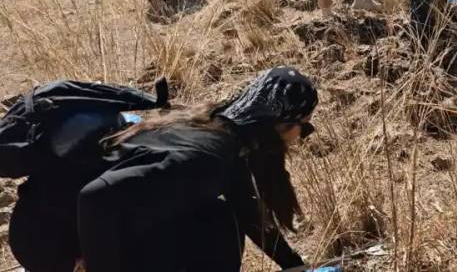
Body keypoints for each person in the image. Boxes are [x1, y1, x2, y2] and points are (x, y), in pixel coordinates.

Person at [77, 66, 322, 272]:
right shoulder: (207, 159)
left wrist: (294, 266)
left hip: (131, 229)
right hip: (100, 237)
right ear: (281, 124)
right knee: (218, 226)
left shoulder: (220, 132)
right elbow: (94, 196)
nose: (301, 138)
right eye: (305, 128)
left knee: (218, 217)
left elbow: (249, 213)